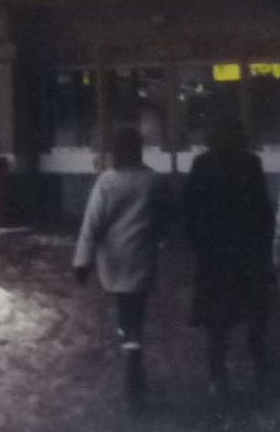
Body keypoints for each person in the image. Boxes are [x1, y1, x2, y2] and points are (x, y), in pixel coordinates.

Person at [73, 126, 173, 409]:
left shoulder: (107, 181)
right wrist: (159, 239)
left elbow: (92, 224)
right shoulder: (154, 181)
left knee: (124, 311)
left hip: (114, 261)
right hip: (142, 257)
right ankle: (134, 357)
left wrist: (82, 261)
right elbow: (167, 216)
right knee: (136, 312)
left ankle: (131, 357)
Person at [182, 116, 276, 400]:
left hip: (215, 256)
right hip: (247, 253)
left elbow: (189, 211)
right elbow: (263, 213)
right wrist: (264, 250)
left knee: (216, 323)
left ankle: (218, 378)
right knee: (255, 314)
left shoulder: (202, 165)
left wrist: (200, 247)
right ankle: (260, 372)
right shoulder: (250, 163)